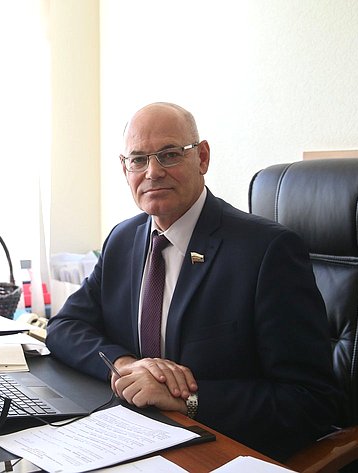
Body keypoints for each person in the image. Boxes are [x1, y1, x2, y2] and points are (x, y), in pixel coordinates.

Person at [45, 102, 339, 461]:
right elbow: (64, 327)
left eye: (169, 154)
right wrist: (126, 365)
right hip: (130, 438)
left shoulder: (266, 252)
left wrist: (188, 400)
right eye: (138, 159)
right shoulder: (123, 240)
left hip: (223, 450)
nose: (153, 172)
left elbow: (310, 401)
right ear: (125, 169)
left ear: (202, 158)